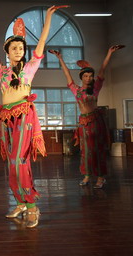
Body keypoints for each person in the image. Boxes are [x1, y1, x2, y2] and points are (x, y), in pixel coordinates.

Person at [0, 6, 65, 228]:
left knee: (19, 162)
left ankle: (32, 206)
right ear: (7, 51)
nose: (18, 51)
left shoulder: (30, 68)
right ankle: (20, 202)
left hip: (24, 115)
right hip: (7, 118)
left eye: (21, 47)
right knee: (12, 162)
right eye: (14, 48)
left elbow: (42, 42)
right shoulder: (2, 71)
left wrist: (50, 17)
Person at [49, 45, 124, 189]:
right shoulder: (76, 90)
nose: (89, 78)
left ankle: (101, 177)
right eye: (86, 76)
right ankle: (87, 175)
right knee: (86, 150)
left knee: (98, 149)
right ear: (81, 77)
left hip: (96, 121)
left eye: (90, 76)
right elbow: (67, 75)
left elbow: (102, 69)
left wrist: (109, 52)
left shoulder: (95, 88)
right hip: (83, 123)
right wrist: (60, 59)